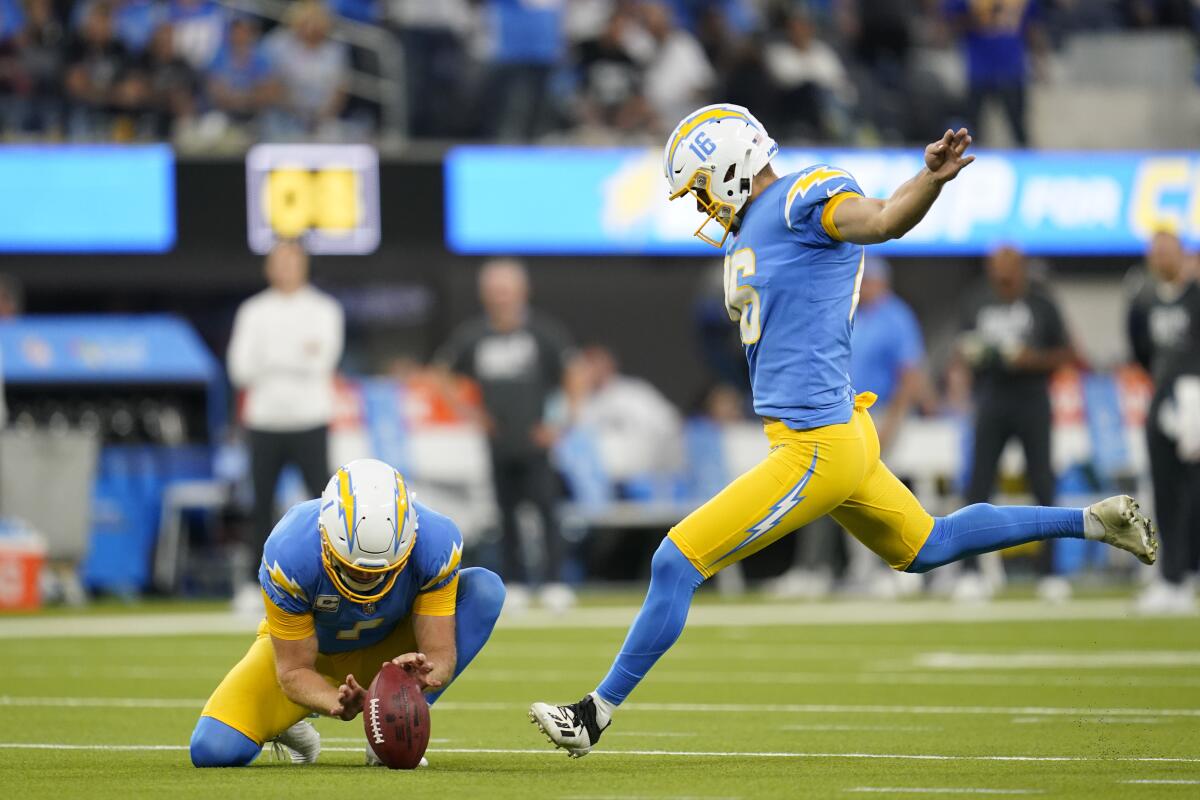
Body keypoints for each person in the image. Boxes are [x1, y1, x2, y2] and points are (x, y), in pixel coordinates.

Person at [530, 103, 1158, 757]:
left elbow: (881, 219)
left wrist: (931, 182)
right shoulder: (754, 229)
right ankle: (1093, 520)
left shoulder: (806, 193)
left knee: (675, 560)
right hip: (836, 435)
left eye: (701, 185)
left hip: (815, 444)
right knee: (929, 546)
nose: (701, 203)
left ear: (732, 167)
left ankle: (593, 714)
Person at [189, 458, 505, 767]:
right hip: (314, 657)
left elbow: (439, 652)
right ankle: (291, 721)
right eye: (352, 568)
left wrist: (423, 675)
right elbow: (293, 670)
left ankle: (396, 727)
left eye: (382, 572)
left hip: (388, 650)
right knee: (212, 750)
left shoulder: (435, 541)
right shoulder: (290, 550)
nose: (366, 580)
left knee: (484, 591)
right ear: (326, 537)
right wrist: (333, 700)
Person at [435, 259, 577, 612]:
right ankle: (513, 580)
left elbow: (573, 376)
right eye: (495, 290)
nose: (501, 297)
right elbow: (440, 374)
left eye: (506, 289)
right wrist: (473, 415)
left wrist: (558, 423)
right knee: (505, 514)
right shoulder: (474, 335)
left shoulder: (544, 332)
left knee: (547, 511)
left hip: (536, 441)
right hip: (498, 443)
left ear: (522, 291)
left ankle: (554, 581)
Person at [227, 241, 344, 615]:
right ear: (269, 268)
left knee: (323, 506)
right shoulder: (253, 311)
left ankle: (334, 581)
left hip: (311, 419)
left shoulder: (324, 309)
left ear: (304, 266)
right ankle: (254, 583)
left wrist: (271, 358)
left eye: (293, 262)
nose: (286, 269)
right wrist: (296, 354)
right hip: (263, 422)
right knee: (259, 504)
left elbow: (322, 361)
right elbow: (240, 368)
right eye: (279, 263)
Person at [956, 246, 1074, 602]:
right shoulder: (976, 300)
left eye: (1008, 266)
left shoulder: (1042, 303)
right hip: (991, 399)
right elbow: (961, 348)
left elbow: (1066, 353)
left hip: (1032, 400)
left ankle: (1050, 572)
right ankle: (971, 572)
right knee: (978, 485)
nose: (1002, 274)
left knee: (1042, 483)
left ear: (1020, 267)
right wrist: (972, 355)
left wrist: (1030, 359)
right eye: (996, 266)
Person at [1127, 230, 1200, 615]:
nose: (1162, 260)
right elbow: (1140, 349)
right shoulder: (1143, 300)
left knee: (1193, 490)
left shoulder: (1195, 297)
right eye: (1156, 253)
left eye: (1169, 252)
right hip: (1163, 398)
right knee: (1166, 489)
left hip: (1195, 399)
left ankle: (1185, 572)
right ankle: (1172, 575)